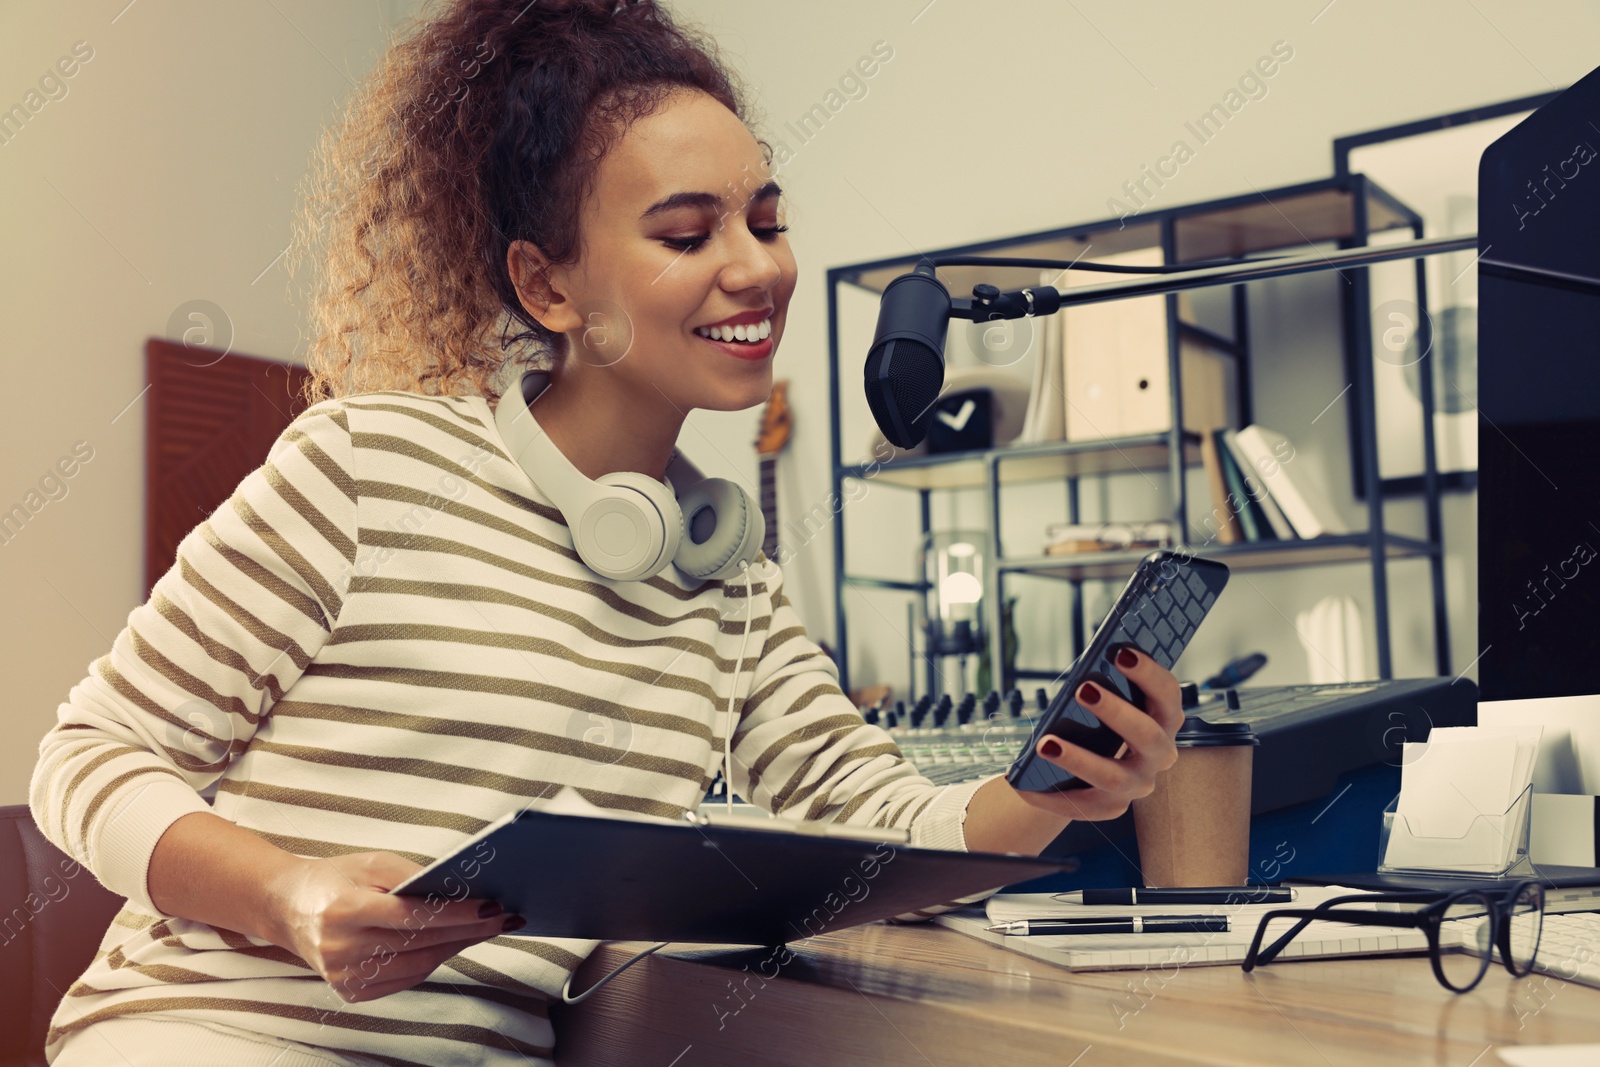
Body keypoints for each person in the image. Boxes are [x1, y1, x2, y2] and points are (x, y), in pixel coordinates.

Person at [29, 1, 1183, 1064]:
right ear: (547, 286)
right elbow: (84, 758)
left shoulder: (725, 577)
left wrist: (1057, 783)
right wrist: (289, 893)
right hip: (208, 1034)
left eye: (766, 220)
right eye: (687, 235)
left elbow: (885, 828)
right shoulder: (365, 463)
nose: (758, 267)